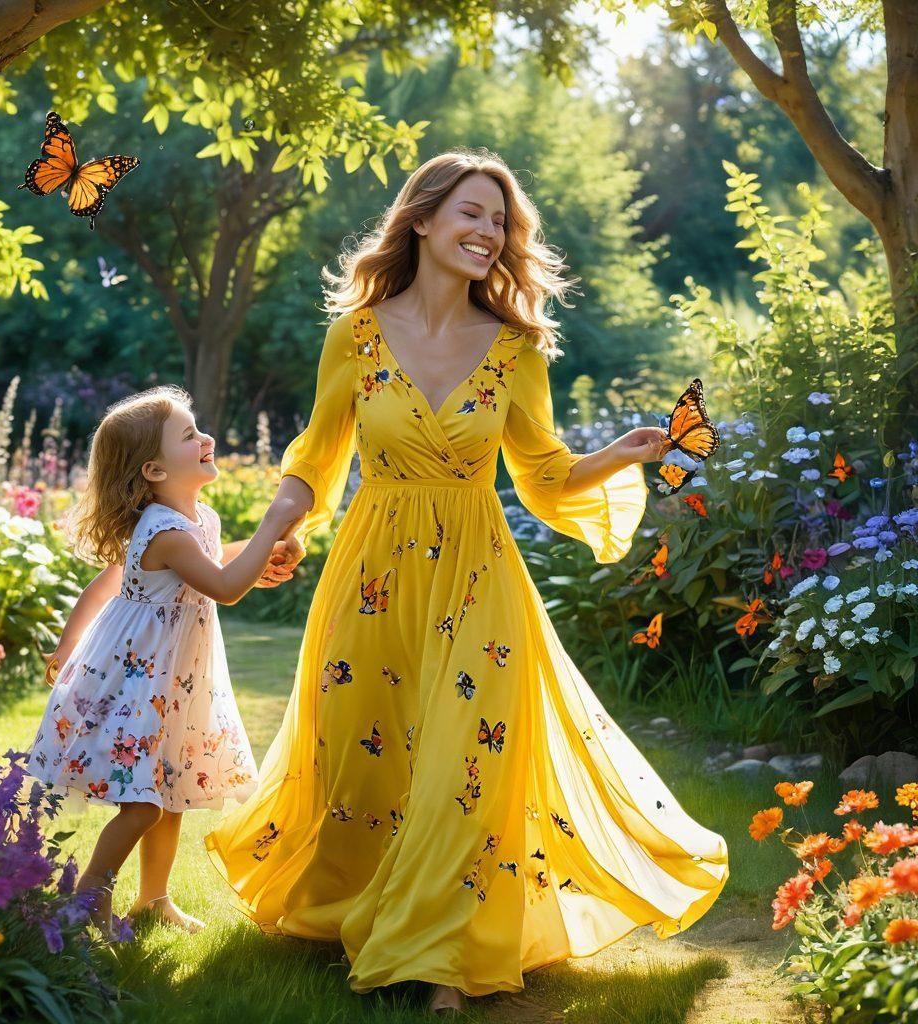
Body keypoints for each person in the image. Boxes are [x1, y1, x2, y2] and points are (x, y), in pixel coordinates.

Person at [204, 148, 729, 1014]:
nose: (490, 233)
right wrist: (265, 537)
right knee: (366, 756)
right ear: (422, 219)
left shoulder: (516, 347)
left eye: (501, 222)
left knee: (465, 761)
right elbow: (315, 458)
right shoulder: (358, 335)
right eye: (474, 214)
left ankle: (443, 956)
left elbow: (547, 475)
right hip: (371, 575)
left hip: (478, 575)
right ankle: (366, 910)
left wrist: (622, 455)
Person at [26, 384, 304, 937]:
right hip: (139, 680)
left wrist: (263, 551)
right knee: (143, 803)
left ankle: (153, 899)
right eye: (188, 434)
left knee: (168, 792)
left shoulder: (194, 520)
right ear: (154, 469)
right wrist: (274, 524)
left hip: (173, 679)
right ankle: (89, 898)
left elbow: (138, 578)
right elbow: (224, 586)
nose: (206, 438)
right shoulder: (164, 530)